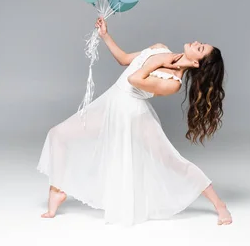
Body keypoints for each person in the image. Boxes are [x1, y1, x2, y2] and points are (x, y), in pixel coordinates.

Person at [36, 17, 232, 226]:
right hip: (111, 104)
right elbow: (124, 59)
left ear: (195, 63)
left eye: (200, 48)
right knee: (57, 134)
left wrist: (161, 62)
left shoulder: (173, 82)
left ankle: (220, 205)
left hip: (133, 115)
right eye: (199, 42)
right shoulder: (160, 48)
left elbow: (134, 80)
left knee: (172, 161)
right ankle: (56, 191)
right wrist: (105, 35)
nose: (195, 42)